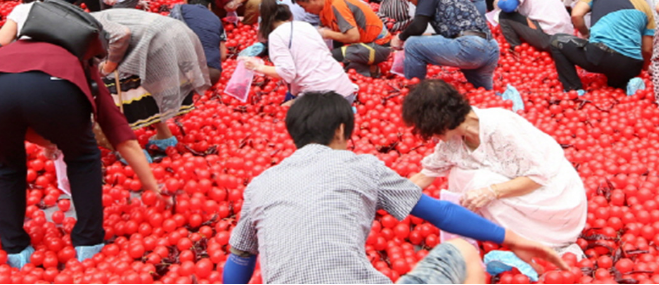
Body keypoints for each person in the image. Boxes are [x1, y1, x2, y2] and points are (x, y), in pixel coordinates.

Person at [224, 92, 566, 285]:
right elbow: (442, 213)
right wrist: (517, 239)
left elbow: (239, 258)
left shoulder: (260, 184)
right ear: (343, 131)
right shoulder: (362, 166)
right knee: (461, 251)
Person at [0, 19, 157, 269]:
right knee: (82, 157)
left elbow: (12, 104)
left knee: (5, 165)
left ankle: (15, 250)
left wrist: (51, 139)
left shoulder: (8, 50)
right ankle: (88, 244)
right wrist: (153, 187)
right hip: (54, 91)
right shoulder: (76, 56)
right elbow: (116, 129)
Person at [403, 79, 588, 254]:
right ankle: (484, 227)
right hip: (521, 190)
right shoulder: (453, 141)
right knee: (461, 174)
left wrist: (491, 191)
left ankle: (532, 238)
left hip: (554, 200)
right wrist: (391, 196)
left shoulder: (501, 127)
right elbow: (426, 174)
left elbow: (538, 177)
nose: (431, 136)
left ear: (441, 122)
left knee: (479, 181)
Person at [88, 8, 212, 151]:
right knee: (151, 86)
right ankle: (164, 135)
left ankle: (129, 148)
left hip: (156, 39)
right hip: (174, 32)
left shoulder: (88, 23)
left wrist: (109, 65)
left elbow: (121, 34)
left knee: (120, 87)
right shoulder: (92, 18)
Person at [391, 0, 501, 90]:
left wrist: (400, 37)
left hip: (470, 48)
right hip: (491, 48)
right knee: (482, 93)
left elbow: (418, 26)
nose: (408, 0)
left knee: (412, 44)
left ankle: (414, 92)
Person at [551, 0, 654, 93]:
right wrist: (643, 70)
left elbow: (576, 15)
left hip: (601, 55)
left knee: (556, 40)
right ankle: (626, 84)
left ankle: (573, 89)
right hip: (631, 65)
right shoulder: (647, 9)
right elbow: (647, 49)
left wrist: (585, 34)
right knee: (614, 84)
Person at [246, 0, 359, 102]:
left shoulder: (276, 36)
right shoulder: (306, 26)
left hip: (324, 99)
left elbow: (287, 73)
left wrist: (257, 67)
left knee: (287, 113)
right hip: (345, 91)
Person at [293, 0, 392, 77]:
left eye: (304, 7)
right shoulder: (324, 6)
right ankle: (365, 68)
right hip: (361, 44)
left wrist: (327, 34)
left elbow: (353, 36)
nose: (305, 11)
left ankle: (370, 70)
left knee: (329, 58)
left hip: (378, 46)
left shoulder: (337, 4)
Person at [494, 0, 573, 57]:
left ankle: (517, 51)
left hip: (550, 38)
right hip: (567, 36)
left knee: (504, 16)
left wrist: (498, 2)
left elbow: (509, 7)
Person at [169, 0, 227, 84]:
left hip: (183, 72)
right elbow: (223, 55)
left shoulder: (180, 9)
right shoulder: (217, 20)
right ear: (209, 5)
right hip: (211, 75)